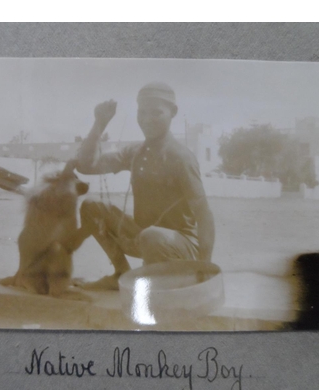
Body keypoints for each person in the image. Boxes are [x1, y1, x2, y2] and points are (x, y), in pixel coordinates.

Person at [75, 82, 215, 290]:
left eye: (157, 113)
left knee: (152, 235)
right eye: (142, 112)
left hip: (179, 246)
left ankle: (161, 282)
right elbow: (86, 165)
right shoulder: (135, 152)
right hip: (144, 236)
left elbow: (203, 215)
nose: (147, 120)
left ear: (173, 112)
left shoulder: (181, 158)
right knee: (91, 206)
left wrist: (204, 268)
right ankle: (121, 274)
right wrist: (99, 124)